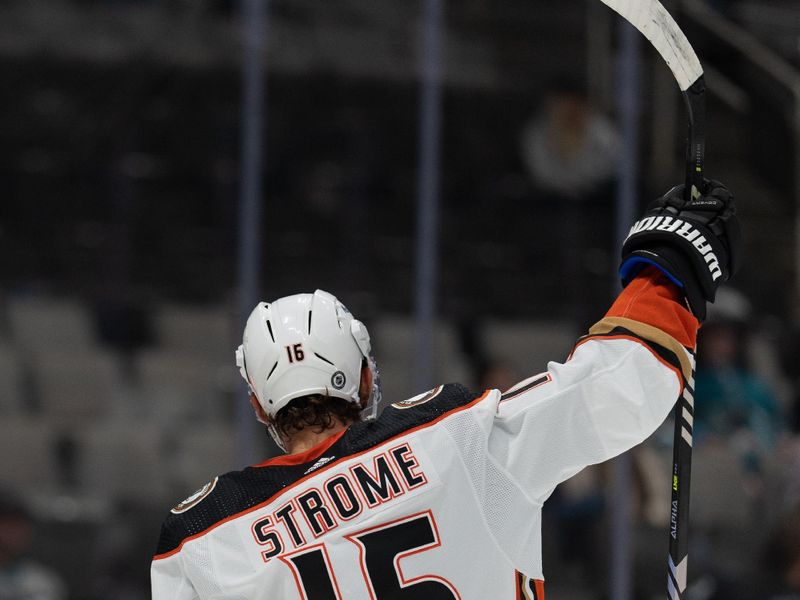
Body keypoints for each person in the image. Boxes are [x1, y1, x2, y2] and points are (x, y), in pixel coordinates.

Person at [151, 180, 740, 598]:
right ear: (363, 378)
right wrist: (666, 268)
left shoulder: (205, 542)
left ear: (258, 404)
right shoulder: (452, 440)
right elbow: (617, 388)